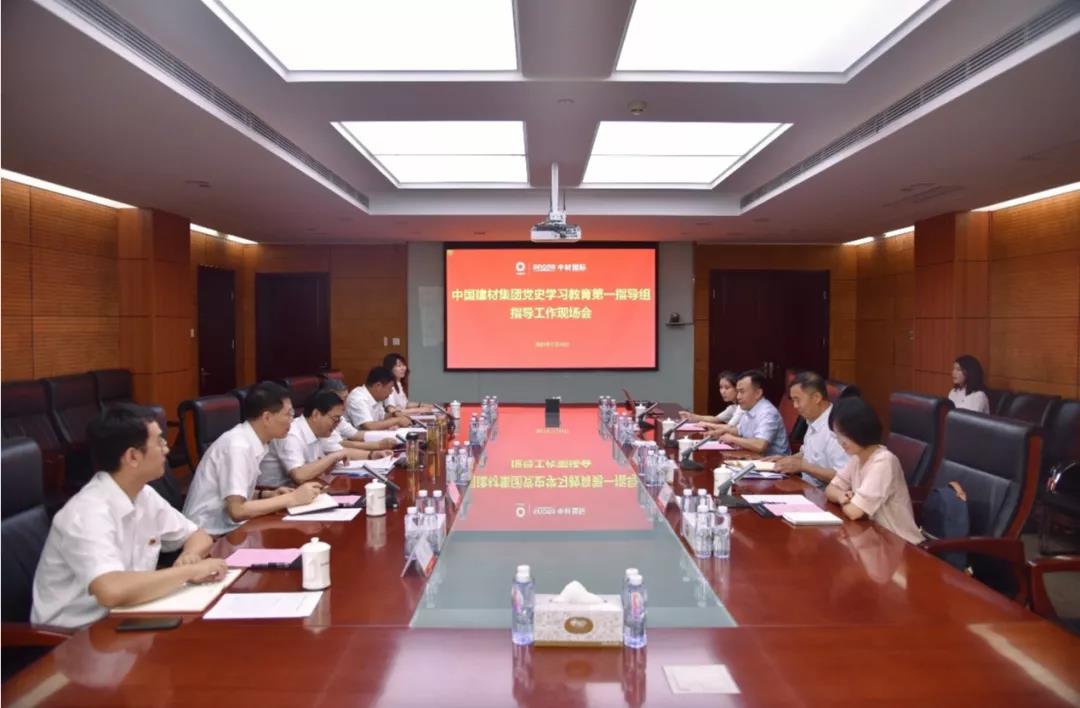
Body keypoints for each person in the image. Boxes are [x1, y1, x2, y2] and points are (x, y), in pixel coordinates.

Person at [32, 406, 227, 628]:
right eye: (159, 442)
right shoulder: (87, 513)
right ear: (133, 456)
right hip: (79, 634)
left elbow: (198, 535)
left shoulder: (144, 494)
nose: (167, 449)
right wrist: (188, 572)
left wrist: (190, 556)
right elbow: (111, 591)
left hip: (130, 615)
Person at [183, 381, 322, 536]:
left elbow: (235, 492)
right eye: (288, 414)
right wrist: (293, 498)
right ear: (267, 417)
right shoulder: (238, 446)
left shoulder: (252, 442)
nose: (292, 420)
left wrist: (266, 495)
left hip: (232, 528)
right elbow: (237, 510)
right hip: (210, 535)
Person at [825, 397, 923, 545]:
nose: (841, 442)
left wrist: (849, 501)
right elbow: (830, 489)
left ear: (860, 430)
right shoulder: (857, 457)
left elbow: (854, 512)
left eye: (844, 435)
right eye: (837, 435)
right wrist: (841, 496)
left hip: (899, 543)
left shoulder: (884, 461)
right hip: (872, 536)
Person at [257, 390, 393, 488]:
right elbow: (299, 475)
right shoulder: (292, 434)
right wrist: (333, 457)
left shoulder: (320, 430)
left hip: (301, 491)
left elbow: (342, 451)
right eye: (335, 418)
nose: (337, 424)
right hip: (274, 495)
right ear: (316, 414)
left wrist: (372, 455)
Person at [768, 371, 849, 486]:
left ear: (816, 397)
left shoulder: (837, 428)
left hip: (825, 494)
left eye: (798, 400)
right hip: (807, 487)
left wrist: (803, 466)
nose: (795, 406)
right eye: (793, 400)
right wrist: (785, 460)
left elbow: (844, 477)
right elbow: (807, 453)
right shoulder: (813, 419)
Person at [714, 370, 791, 456]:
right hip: (753, 458)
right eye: (738, 392)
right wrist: (720, 432)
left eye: (742, 392)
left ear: (758, 393)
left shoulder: (768, 412)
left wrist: (732, 439)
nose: (738, 397)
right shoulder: (749, 408)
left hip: (774, 462)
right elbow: (740, 431)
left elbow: (760, 445)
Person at [318, 379, 398, 454]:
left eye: (346, 398)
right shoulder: (322, 418)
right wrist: (378, 445)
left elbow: (356, 434)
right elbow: (339, 445)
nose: (345, 404)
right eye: (342, 400)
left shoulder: (338, 416)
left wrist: (386, 435)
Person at [345, 366, 413, 432]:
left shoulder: (376, 397)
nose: (391, 392)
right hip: (353, 438)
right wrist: (397, 420)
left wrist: (394, 414)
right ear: (378, 386)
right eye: (390, 388)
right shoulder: (358, 398)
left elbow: (382, 417)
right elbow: (369, 426)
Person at [677, 371, 744, 433]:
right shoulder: (732, 408)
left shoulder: (742, 407)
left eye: (727, 388)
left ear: (737, 388)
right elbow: (715, 419)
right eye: (721, 387)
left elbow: (729, 427)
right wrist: (691, 416)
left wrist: (708, 424)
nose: (722, 391)